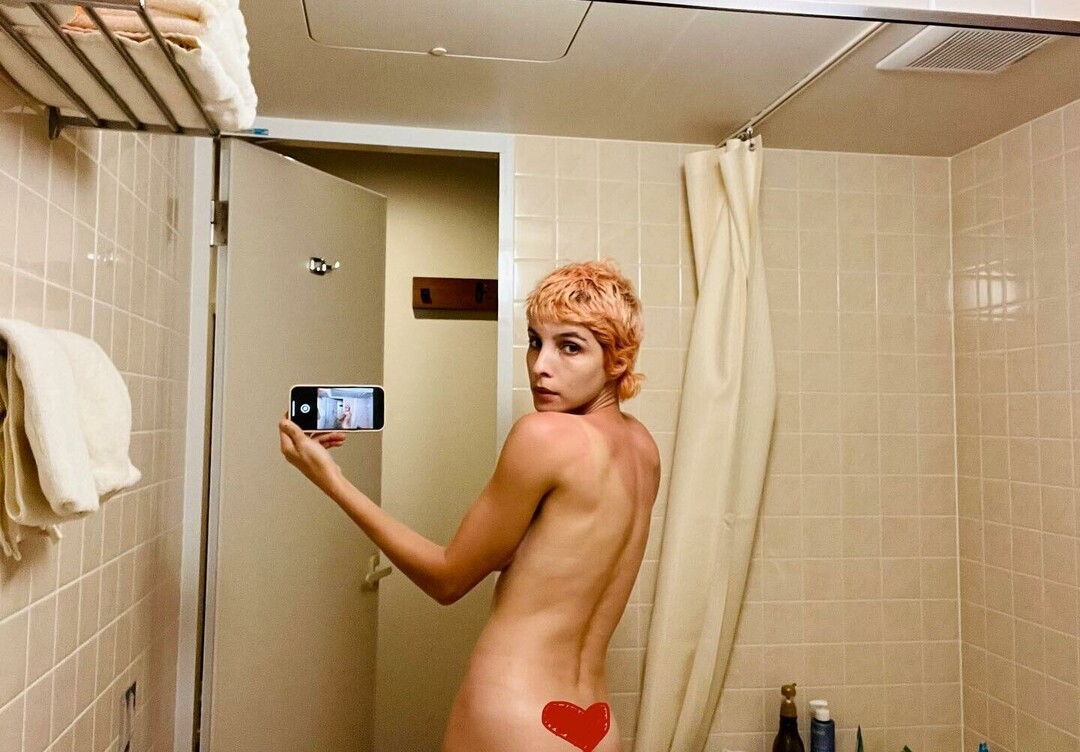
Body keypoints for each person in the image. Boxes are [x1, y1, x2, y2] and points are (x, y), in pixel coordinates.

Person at [279, 259, 660, 752]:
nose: (540, 365)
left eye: (570, 347)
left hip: (514, 713)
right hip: (597, 726)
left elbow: (447, 578)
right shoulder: (643, 449)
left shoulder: (544, 435)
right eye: (535, 341)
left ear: (617, 359)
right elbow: (553, 559)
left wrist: (331, 481)